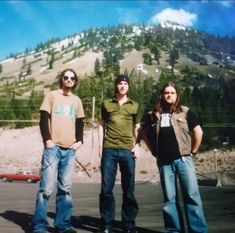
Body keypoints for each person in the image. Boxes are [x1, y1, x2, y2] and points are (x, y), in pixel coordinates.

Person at [142, 82, 208, 233]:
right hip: (164, 163)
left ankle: (198, 231)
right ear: (162, 95)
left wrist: (193, 151)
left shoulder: (185, 112)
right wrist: (153, 151)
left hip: (184, 160)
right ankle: (173, 230)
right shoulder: (154, 115)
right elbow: (144, 134)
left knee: (191, 196)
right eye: (166, 93)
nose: (169, 95)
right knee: (169, 200)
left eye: (172, 92)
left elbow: (198, 132)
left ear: (177, 95)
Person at [32, 68, 85, 233]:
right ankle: (40, 226)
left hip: (69, 151)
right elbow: (43, 119)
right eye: (66, 77)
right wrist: (47, 140)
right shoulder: (52, 95)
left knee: (65, 189)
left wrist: (79, 141)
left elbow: (80, 122)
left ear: (75, 81)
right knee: (46, 189)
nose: (69, 80)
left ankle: (63, 225)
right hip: (52, 149)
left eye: (72, 78)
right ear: (61, 79)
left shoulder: (77, 100)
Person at [98, 75, 141, 233]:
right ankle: (107, 225)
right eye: (120, 83)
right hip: (109, 149)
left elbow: (137, 127)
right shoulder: (107, 104)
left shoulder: (134, 105)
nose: (122, 86)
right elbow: (102, 125)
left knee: (128, 189)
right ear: (116, 86)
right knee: (106, 189)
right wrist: (99, 147)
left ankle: (129, 225)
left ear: (129, 87)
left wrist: (137, 145)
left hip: (127, 151)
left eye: (125, 83)